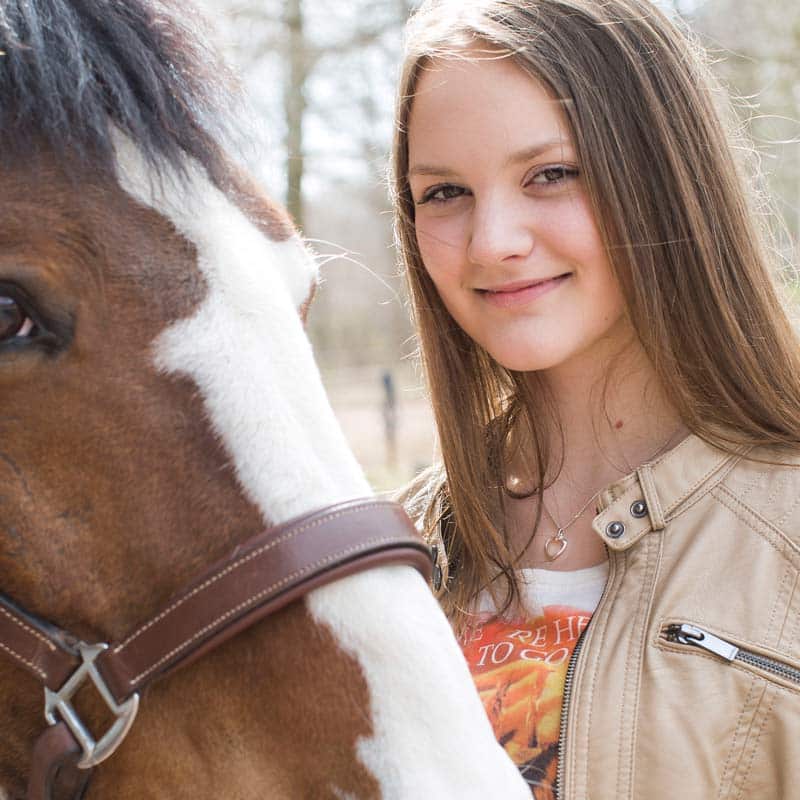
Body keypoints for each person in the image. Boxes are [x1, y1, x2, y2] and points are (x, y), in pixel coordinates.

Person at [391, 1, 800, 797]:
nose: (493, 240)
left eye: (551, 174)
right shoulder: (388, 553)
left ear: (662, 180)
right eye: (444, 192)